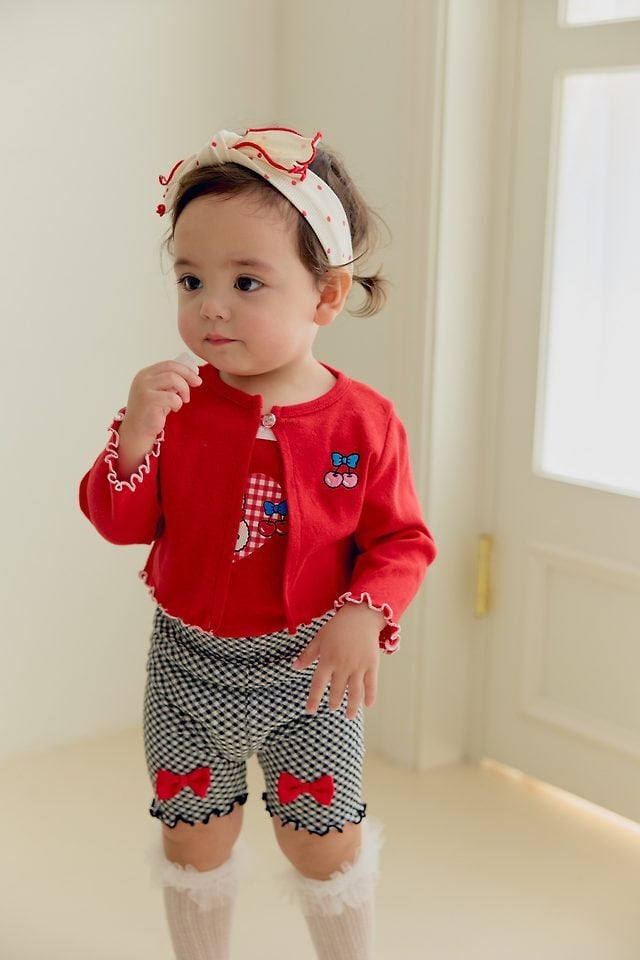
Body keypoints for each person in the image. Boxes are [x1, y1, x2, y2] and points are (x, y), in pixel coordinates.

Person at [79, 125, 437, 960]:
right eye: (191, 279)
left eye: (246, 282)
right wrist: (134, 436)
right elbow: (119, 522)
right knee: (192, 838)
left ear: (326, 295)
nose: (212, 305)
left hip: (310, 676)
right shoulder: (175, 406)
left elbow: (402, 539)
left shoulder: (364, 421)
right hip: (187, 670)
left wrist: (366, 610)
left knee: (324, 843)